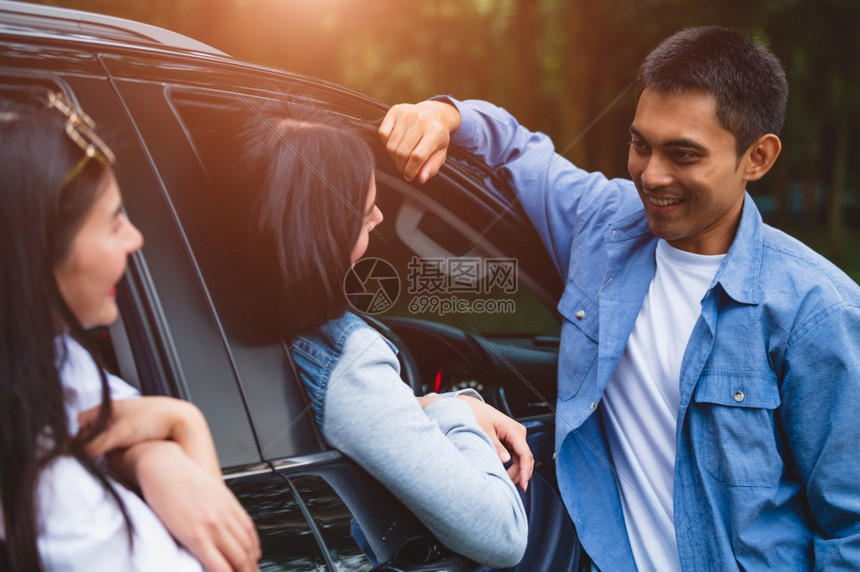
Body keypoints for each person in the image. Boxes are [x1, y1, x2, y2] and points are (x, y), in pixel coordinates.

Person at [378, 25, 860, 571]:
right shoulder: (601, 225)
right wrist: (443, 114)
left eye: (683, 154)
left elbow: (852, 525)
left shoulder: (816, 312)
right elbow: (515, 148)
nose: (650, 175)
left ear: (759, 157)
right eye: (640, 144)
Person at [223, 102, 531, 569]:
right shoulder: (345, 357)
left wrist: (422, 407)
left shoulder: (229, 313)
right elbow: (503, 534)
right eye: (365, 214)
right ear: (325, 232)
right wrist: (456, 407)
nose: (380, 218)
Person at [0, 90, 260, 571]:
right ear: (35, 255)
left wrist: (148, 457)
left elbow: (109, 416)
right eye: (113, 220)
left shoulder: (44, 356)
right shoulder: (59, 505)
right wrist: (186, 426)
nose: (136, 238)